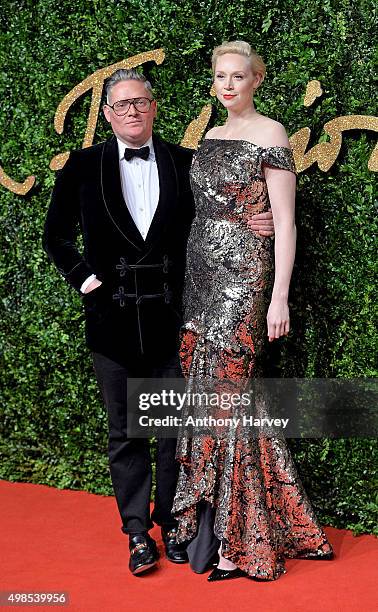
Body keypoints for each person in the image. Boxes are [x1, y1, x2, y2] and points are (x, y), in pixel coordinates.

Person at [43, 67, 274, 576]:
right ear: (106, 114)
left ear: (154, 107)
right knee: (126, 432)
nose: (132, 112)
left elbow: (222, 213)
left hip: (173, 322)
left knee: (171, 433)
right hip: (113, 324)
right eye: (122, 105)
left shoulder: (183, 163)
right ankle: (135, 533)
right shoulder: (81, 167)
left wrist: (264, 217)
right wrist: (88, 283)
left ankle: (172, 523)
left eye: (140, 103)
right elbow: (54, 237)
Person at [172, 41, 334, 581]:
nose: (228, 85)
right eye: (220, 76)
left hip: (244, 281)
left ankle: (240, 540)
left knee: (231, 392)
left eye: (238, 76)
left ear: (256, 80)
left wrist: (278, 296)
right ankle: (217, 528)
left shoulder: (271, 134)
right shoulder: (209, 136)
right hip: (200, 279)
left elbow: (283, 222)